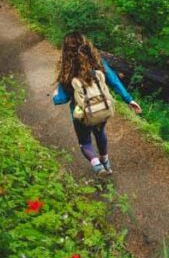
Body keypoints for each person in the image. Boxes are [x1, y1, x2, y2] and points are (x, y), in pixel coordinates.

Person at [52, 32, 141, 175]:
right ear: (87, 45)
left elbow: (62, 99)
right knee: (100, 134)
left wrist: (55, 96)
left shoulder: (67, 71)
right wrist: (129, 99)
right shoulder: (98, 62)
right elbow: (114, 81)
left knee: (85, 142)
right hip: (102, 109)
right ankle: (105, 162)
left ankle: (97, 165)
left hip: (82, 114)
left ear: (66, 51)